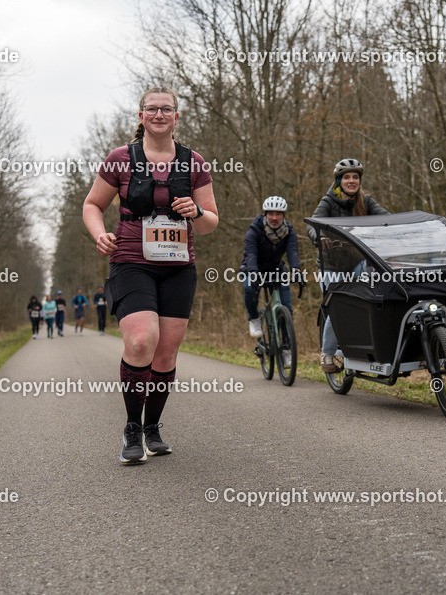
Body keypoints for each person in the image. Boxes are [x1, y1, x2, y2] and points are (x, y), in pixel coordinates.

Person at [82, 86, 218, 464]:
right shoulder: (120, 159)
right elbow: (93, 204)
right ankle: (131, 428)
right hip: (131, 261)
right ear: (141, 116)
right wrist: (99, 234)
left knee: (165, 353)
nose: (159, 115)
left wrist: (195, 212)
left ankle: (153, 426)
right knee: (142, 341)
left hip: (178, 269)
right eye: (152, 109)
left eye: (167, 109)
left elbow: (210, 223)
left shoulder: (194, 162)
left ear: (177, 116)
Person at [307, 159, 388, 373]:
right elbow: (313, 225)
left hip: (357, 263)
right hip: (331, 267)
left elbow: (386, 219)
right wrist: (319, 237)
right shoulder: (328, 201)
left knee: (375, 293)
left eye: (355, 177)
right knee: (338, 307)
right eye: (347, 177)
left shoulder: (366, 201)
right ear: (339, 181)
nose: (351, 181)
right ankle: (327, 353)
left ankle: (366, 348)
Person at [241, 196, 301, 369]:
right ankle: (254, 318)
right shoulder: (254, 230)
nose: (274, 218)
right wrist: (253, 273)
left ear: (284, 215)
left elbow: (293, 251)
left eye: (278, 214)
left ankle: (286, 349)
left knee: (286, 308)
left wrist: (295, 269)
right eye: (271, 214)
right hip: (253, 268)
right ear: (265, 214)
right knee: (249, 289)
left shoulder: (289, 231)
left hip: (276, 270)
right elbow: (250, 254)